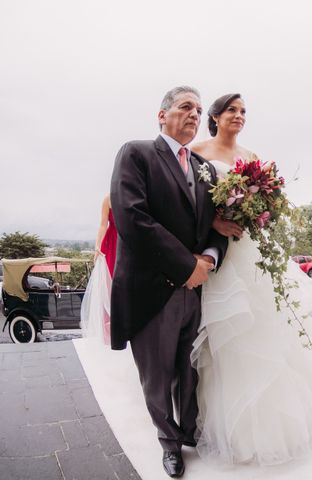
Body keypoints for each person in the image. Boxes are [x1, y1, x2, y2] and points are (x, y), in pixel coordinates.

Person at [190, 93, 312, 466]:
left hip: (249, 248)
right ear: (215, 116)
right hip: (215, 249)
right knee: (226, 332)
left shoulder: (251, 156)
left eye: (243, 112)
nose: (239, 116)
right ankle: (229, 425)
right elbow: (189, 199)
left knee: (264, 328)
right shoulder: (196, 150)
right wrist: (213, 221)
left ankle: (271, 425)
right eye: (232, 111)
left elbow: (265, 208)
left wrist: (257, 215)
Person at [110, 86, 228, 478]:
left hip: (195, 290)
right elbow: (133, 218)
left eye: (198, 108)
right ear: (162, 115)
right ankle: (169, 443)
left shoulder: (204, 168)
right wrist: (185, 265)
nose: (194, 114)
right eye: (185, 107)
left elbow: (213, 225)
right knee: (157, 377)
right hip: (151, 290)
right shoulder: (136, 153)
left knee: (189, 370)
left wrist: (208, 259)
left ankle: (189, 432)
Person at [80, 195, 117, 344]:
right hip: (111, 244)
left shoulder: (132, 193)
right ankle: (110, 333)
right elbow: (103, 225)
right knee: (108, 287)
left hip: (128, 243)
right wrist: (97, 246)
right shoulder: (108, 199)